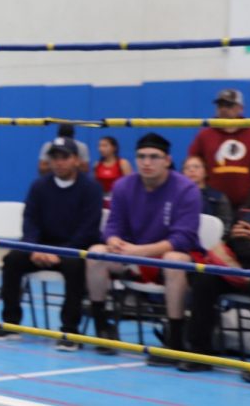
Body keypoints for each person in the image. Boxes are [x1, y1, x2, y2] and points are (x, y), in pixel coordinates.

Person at [85, 132, 201, 364]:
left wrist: (142, 251)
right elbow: (113, 225)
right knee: (95, 252)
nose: (147, 162)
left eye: (154, 157)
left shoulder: (186, 189)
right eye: (141, 156)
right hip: (131, 256)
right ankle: (103, 328)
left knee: (174, 259)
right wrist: (113, 240)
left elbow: (183, 238)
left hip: (166, 259)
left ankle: (174, 341)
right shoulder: (123, 186)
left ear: (167, 160)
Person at [0, 137, 103, 349]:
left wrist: (62, 252)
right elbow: (30, 219)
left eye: (64, 157)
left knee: (76, 267)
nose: (59, 162)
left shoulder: (91, 189)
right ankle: (10, 322)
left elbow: (89, 228)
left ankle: (70, 331)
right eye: (54, 157)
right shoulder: (39, 186)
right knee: (12, 260)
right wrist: (33, 248)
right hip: (41, 247)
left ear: (76, 160)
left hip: (73, 249)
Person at [179, 158, 250, 383]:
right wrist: (235, 243)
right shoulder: (248, 209)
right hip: (244, 268)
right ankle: (200, 352)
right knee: (205, 278)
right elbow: (237, 244)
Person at [188, 89, 250, 209]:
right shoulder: (205, 135)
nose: (223, 109)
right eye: (220, 105)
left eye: (229, 105)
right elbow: (192, 163)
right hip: (213, 204)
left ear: (240, 108)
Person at [182, 155, 233, 227]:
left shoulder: (218, 197)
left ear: (206, 172)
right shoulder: (178, 197)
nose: (191, 170)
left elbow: (225, 224)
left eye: (196, 167)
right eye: (187, 168)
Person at [93, 136, 131, 200]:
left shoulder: (123, 163)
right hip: (102, 200)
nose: (101, 149)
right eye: (99, 146)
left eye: (105, 146)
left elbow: (131, 186)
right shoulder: (96, 165)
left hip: (119, 199)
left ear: (114, 148)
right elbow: (95, 186)